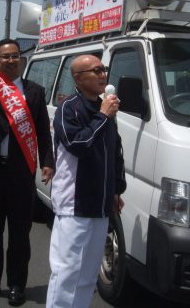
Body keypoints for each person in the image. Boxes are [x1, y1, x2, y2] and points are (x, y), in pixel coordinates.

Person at [0, 10, 54, 306]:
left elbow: (42, 132)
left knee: (20, 234)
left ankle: (17, 285)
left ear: (21, 59)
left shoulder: (35, 92)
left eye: (16, 55)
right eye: (5, 56)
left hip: (20, 173)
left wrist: (47, 161)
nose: (11, 60)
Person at [46, 54, 126, 308]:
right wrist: (102, 117)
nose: (103, 74)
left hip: (100, 205)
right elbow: (78, 144)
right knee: (67, 270)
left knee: (88, 274)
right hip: (74, 204)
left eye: (103, 69)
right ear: (78, 78)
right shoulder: (68, 108)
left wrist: (116, 190)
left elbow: (115, 153)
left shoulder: (106, 110)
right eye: (96, 70)